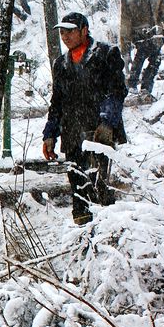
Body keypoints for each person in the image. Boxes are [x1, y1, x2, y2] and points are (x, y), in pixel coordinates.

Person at [42, 12, 127, 225]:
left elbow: (117, 91)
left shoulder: (106, 54)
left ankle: (109, 232)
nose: (65, 36)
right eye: (62, 32)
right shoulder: (61, 64)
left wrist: (107, 122)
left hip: (99, 135)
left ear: (84, 30)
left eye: (70, 31)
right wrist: (50, 134)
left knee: (100, 185)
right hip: (72, 134)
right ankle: (83, 234)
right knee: (78, 189)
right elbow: (57, 102)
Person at [119, 0, 164, 98]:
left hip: (155, 32)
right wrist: (125, 49)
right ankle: (132, 85)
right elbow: (125, 25)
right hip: (138, 34)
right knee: (141, 54)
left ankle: (146, 89)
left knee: (156, 60)